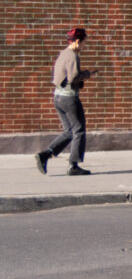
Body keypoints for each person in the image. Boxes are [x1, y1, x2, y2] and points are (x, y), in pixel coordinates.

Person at [36, 27, 96, 176]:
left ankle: (45, 155)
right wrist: (87, 74)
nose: (83, 46)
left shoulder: (62, 54)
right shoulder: (72, 56)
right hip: (69, 98)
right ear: (77, 41)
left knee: (69, 131)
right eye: (83, 43)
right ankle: (73, 165)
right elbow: (73, 77)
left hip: (58, 97)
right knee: (78, 130)